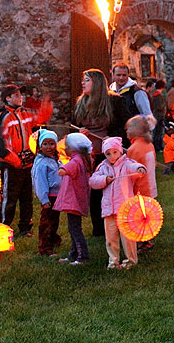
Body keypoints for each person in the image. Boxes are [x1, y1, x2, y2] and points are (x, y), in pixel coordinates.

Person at [72, 68, 131, 236]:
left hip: (109, 156)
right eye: (83, 80)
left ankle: (118, 226)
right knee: (94, 192)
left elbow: (125, 126)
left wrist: (112, 140)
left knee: (112, 191)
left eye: (87, 80)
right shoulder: (81, 103)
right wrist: (79, 133)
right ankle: (98, 228)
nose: (82, 83)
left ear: (97, 83)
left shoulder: (115, 102)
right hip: (88, 155)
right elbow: (73, 127)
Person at [0, 84, 52, 237]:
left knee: (27, 198)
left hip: (27, 163)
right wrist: (14, 160)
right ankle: (4, 227)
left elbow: (40, 118)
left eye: (20, 95)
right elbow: (0, 144)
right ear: (8, 98)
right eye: (16, 95)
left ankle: (26, 228)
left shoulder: (24, 113)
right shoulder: (2, 117)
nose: (20, 98)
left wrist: (47, 106)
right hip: (11, 165)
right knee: (9, 198)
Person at [89, 137, 147, 270]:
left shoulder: (127, 163)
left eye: (114, 152)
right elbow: (93, 181)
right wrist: (105, 179)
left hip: (125, 209)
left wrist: (139, 168)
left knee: (128, 238)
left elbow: (134, 166)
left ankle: (130, 261)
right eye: (108, 153)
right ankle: (113, 262)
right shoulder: (103, 166)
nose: (111, 156)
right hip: (109, 210)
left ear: (120, 151)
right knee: (111, 239)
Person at [55, 133, 93, 265]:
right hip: (79, 198)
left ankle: (82, 256)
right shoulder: (85, 159)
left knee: (75, 229)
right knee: (74, 228)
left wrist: (61, 166)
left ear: (73, 148)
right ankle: (73, 254)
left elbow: (64, 170)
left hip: (73, 200)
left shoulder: (76, 160)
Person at [126, 115, 158, 251]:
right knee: (146, 216)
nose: (126, 132)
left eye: (128, 129)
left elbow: (129, 171)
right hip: (150, 187)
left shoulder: (134, 149)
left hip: (139, 188)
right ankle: (148, 240)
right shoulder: (149, 145)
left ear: (135, 131)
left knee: (138, 217)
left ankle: (142, 242)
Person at [31, 129, 62, 256]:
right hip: (49, 197)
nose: (49, 147)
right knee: (46, 223)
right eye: (45, 144)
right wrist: (44, 200)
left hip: (56, 196)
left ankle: (54, 239)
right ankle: (44, 248)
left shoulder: (54, 159)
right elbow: (40, 183)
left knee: (54, 221)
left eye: (52, 144)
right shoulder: (42, 163)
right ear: (39, 146)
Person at [151, 80, 167, 151]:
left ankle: (158, 146)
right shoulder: (158, 96)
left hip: (157, 115)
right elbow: (159, 106)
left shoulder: (156, 94)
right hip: (159, 115)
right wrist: (165, 105)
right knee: (158, 132)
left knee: (158, 132)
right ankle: (157, 146)